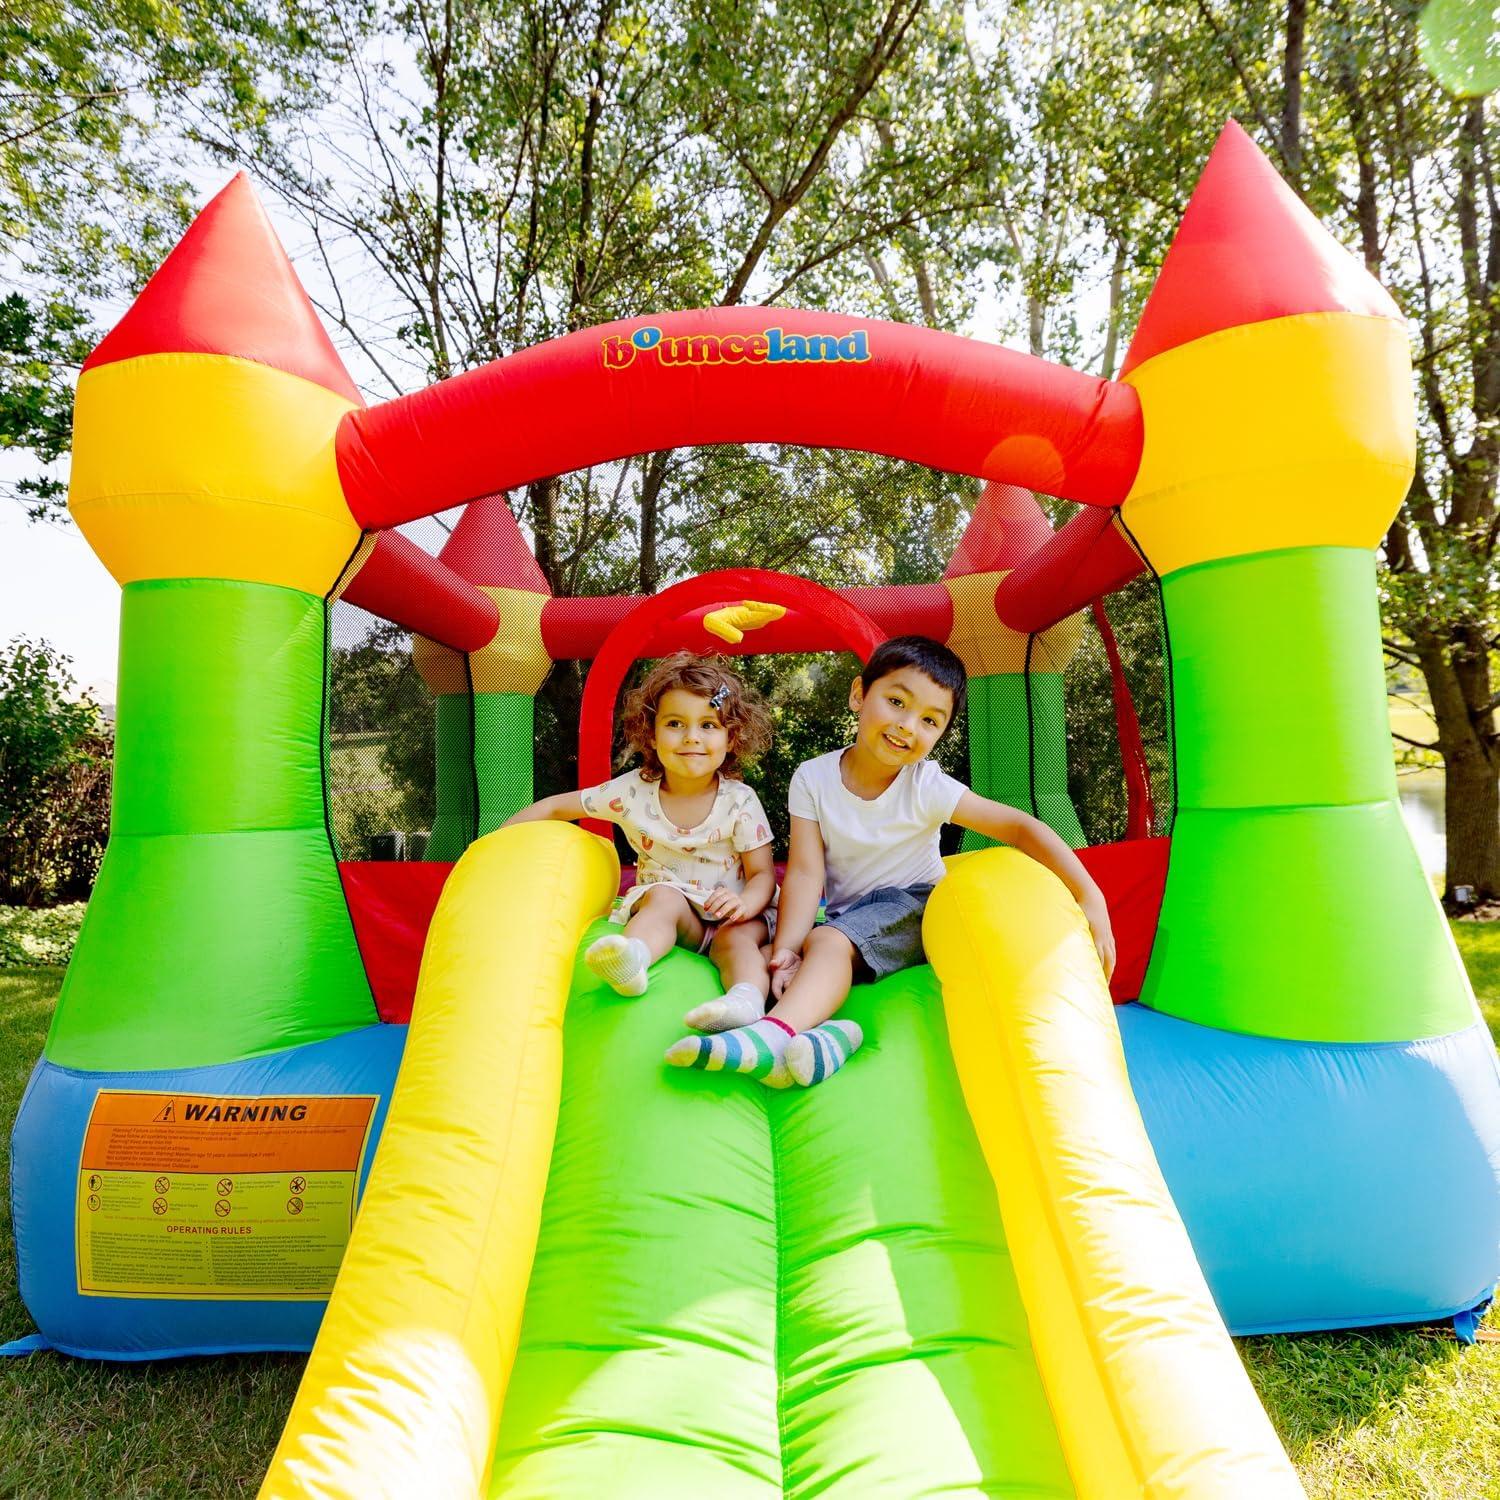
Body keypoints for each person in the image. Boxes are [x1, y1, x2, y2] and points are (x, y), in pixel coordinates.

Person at [666, 635, 1116, 1089]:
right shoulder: (813, 778)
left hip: (913, 907)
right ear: (860, 694)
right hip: (850, 918)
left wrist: (1089, 895)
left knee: (826, 943)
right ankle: (830, 1040)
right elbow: (805, 872)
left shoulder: (927, 786)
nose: (907, 726)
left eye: (929, 720)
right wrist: (785, 949)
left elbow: (1022, 828)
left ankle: (771, 1036)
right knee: (773, 960)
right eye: (897, 702)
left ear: (940, 734)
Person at [505, 652, 777, 1018]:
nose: (691, 737)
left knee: (738, 940)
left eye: (708, 725)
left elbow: (761, 873)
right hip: (680, 916)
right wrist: (493, 844)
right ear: (651, 734)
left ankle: (745, 1001)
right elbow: (555, 808)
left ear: (731, 739)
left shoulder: (739, 801)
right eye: (676, 723)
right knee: (662, 898)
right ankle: (632, 959)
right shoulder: (631, 793)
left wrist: (745, 905)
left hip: (733, 914)